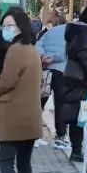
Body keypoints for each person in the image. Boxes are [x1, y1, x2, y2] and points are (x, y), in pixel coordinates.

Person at [0, 8, 44, 173]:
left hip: (14, 115)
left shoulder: (15, 50)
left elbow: (7, 81)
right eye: (4, 26)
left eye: (9, 25)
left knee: (5, 160)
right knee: (24, 163)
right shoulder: (32, 49)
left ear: (21, 27)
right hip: (31, 116)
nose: (6, 29)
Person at [60, 5, 87, 162]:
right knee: (81, 115)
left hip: (71, 74)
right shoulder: (85, 34)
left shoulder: (73, 31)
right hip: (80, 78)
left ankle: (75, 149)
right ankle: (77, 151)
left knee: (74, 114)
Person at [36, 10, 69, 147]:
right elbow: (67, 51)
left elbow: (38, 45)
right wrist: (54, 58)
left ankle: (34, 132)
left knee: (40, 101)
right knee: (60, 104)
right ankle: (60, 135)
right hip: (61, 71)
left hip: (46, 70)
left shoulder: (48, 32)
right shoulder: (70, 32)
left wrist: (44, 57)